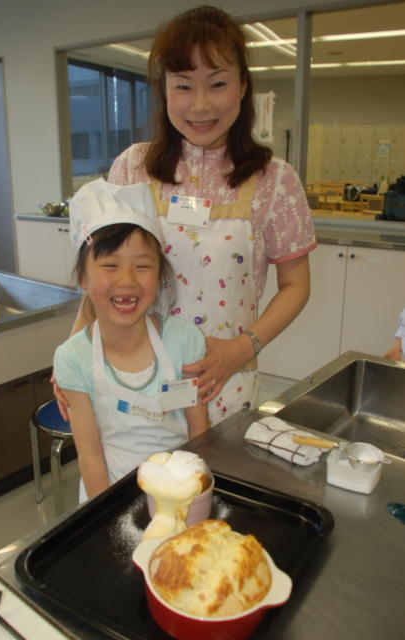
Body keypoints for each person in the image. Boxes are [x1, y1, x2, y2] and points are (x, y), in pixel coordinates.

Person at [60, 4, 316, 426]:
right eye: (183, 86)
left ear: (242, 85)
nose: (200, 105)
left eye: (217, 84)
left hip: (220, 383)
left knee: (210, 468)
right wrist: (71, 357)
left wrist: (241, 349)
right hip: (130, 384)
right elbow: (102, 276)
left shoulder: (275, 181)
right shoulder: (132, 168)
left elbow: (296, 285)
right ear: (164, 90)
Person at [53, 179, 208, 502]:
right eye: (110, 265)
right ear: (83, 277)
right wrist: (106, 516)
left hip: (179, 492)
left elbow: (198, 432)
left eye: (142, 266)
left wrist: (196, 495)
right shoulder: (73, 358)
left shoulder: (183, 340)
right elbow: (90, 455)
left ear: (160, 275)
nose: (127, 280)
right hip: (108, 494)